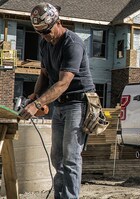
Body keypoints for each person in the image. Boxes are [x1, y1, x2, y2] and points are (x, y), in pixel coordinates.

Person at [20, 2, 95, 198]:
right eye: (41, 33)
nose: (45, 36)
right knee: (57, 157)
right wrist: (36, 96)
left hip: (78, 103)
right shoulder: (45, 43)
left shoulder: (73, 44)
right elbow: (44, 74)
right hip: (61, 105)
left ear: (58, 22)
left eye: (47, 31)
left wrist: (37, 105)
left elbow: (63, 83)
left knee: (71, 157)